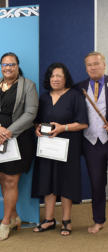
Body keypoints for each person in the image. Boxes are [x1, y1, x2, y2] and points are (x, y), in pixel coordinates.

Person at [0, 52, 38, 241]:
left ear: (17, 65)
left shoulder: (28, 85)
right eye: (4, 64)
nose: (8, 67)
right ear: (1, 66)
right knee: (1, 178)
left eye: (12, 64)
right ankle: (14, 217)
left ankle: (5, 223)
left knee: (11, 181)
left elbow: (30, 113)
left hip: (18, 139)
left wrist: (8, 133)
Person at [32, 63, 88, 235]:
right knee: (47, 181)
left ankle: (66, 220)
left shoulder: (74, 96)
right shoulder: (43, 98)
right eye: (52, 76)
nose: (55, 79)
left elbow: (83, 123)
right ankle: (49, 220)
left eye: (59, 76)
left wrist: (62, 128)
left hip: (68, 147)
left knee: (66, 182)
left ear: (65, 78)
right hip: (47, 147)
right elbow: (37, 121)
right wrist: (36, 128)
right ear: (49, 79)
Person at [72, 51, 108, 234]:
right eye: (89, 65)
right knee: (97, 183)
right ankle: (99, 220)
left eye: (96, 63)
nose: (93, 67)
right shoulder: (78, 88)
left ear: (104, 65)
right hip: (92, 142)